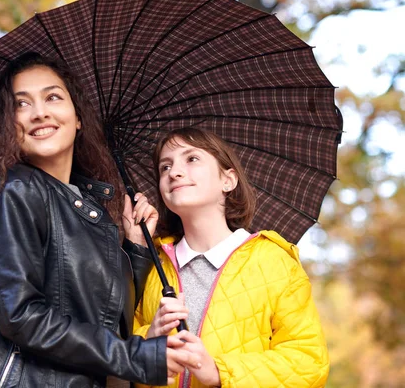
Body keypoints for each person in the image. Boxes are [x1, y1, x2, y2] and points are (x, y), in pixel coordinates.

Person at [0, 52, 199, 388]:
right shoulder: (16, 191)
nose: (40, 113)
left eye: (53, 97)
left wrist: (136, 249)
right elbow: (22, 317)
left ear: (78, 117)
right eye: (22, 104)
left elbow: (108, 317)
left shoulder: (86, 206)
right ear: (9, 124)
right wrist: (138, 357)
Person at [133, 127, 330, 387]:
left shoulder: (273, 261)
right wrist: (149, 340)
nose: (174, 172)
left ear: (228, 180)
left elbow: (308, 363)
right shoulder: (152, 264)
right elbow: (113, 351)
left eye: (191, 159)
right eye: (165, 167)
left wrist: (217, 371)